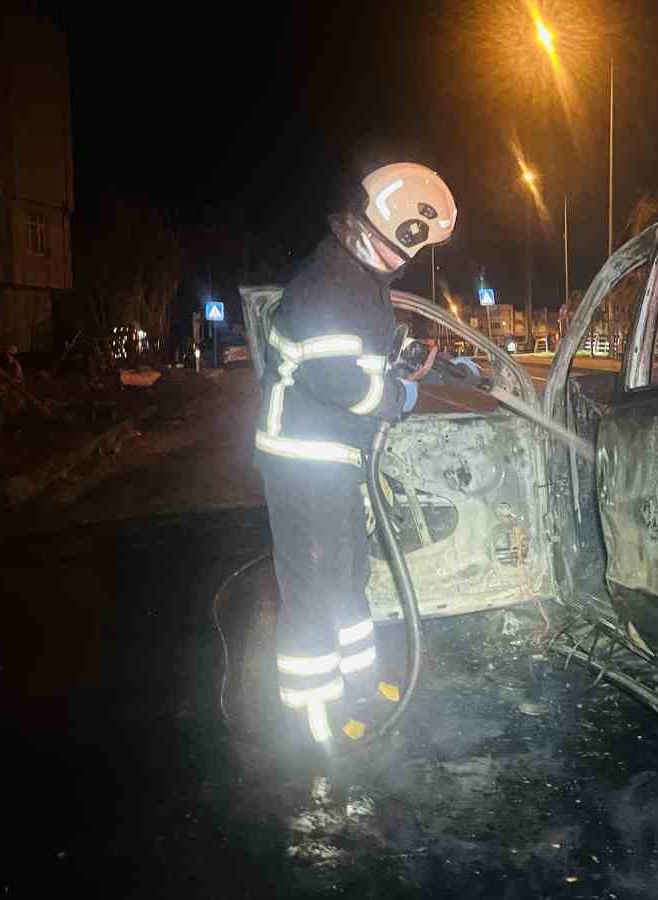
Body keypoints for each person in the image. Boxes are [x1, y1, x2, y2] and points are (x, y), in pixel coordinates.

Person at [252, 162, 457, 750]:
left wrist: (405, 352)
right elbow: (338, 383)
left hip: (333, 458)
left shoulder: (359, 280)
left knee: (348, 576)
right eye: (412, 248)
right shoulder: (330, 282)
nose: (411, 260)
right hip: (302, 459)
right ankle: (311, 719)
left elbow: (362, 344)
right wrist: (398, 397)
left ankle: (359, 688)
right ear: (398, 230)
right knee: (314, 586)